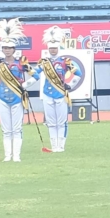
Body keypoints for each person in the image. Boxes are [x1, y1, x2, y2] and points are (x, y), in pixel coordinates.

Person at [0, 29, 31, 163]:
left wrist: (25, 85)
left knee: (17, 128)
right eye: (5, 48)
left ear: (14, 49)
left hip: (17, 98)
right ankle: (8, 155)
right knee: (6, 129)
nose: (7, 50)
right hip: (2, 97)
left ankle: (16, 156)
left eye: (9, 48)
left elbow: (35, 75)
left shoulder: (21, 62)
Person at [39, 26, 77, 154]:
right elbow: (34, 74)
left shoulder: (65, 61)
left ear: (58, 48)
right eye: (51, 49)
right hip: (47, 94)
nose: (53, 50)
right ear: (48, 49)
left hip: (60, 94)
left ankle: (61, 146)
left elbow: (79, 74)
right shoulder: (44, 62)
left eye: (55, 48)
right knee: (50, 122)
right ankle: (53, 145)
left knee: (61, 122)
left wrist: (70, 85)